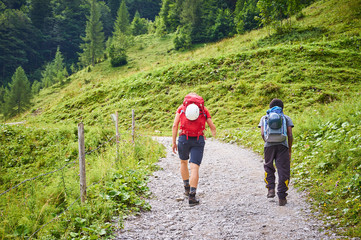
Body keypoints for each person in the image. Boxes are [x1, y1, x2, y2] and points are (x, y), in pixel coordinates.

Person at [172, 93, 216, 206]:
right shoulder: (204, 109)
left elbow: (175, 125)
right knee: (194, 167)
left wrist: (173, 142)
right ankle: (192, 196)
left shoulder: (181, 108)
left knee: (183, 162)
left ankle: (186, 188)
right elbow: (212, 126)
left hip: (183, 139)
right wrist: (214, 134)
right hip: (198, 140)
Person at [258, 98, 294, 206]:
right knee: (283, 170)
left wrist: (267, 142)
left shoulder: (265, 118)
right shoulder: (286, 118)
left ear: (270, 107)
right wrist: (289, 149)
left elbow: (262, 133)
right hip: (283, 146)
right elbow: (290, 134)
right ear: (282, 108)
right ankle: (282, 197)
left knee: (268, 167)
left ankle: (270, 189)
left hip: (268, 146)